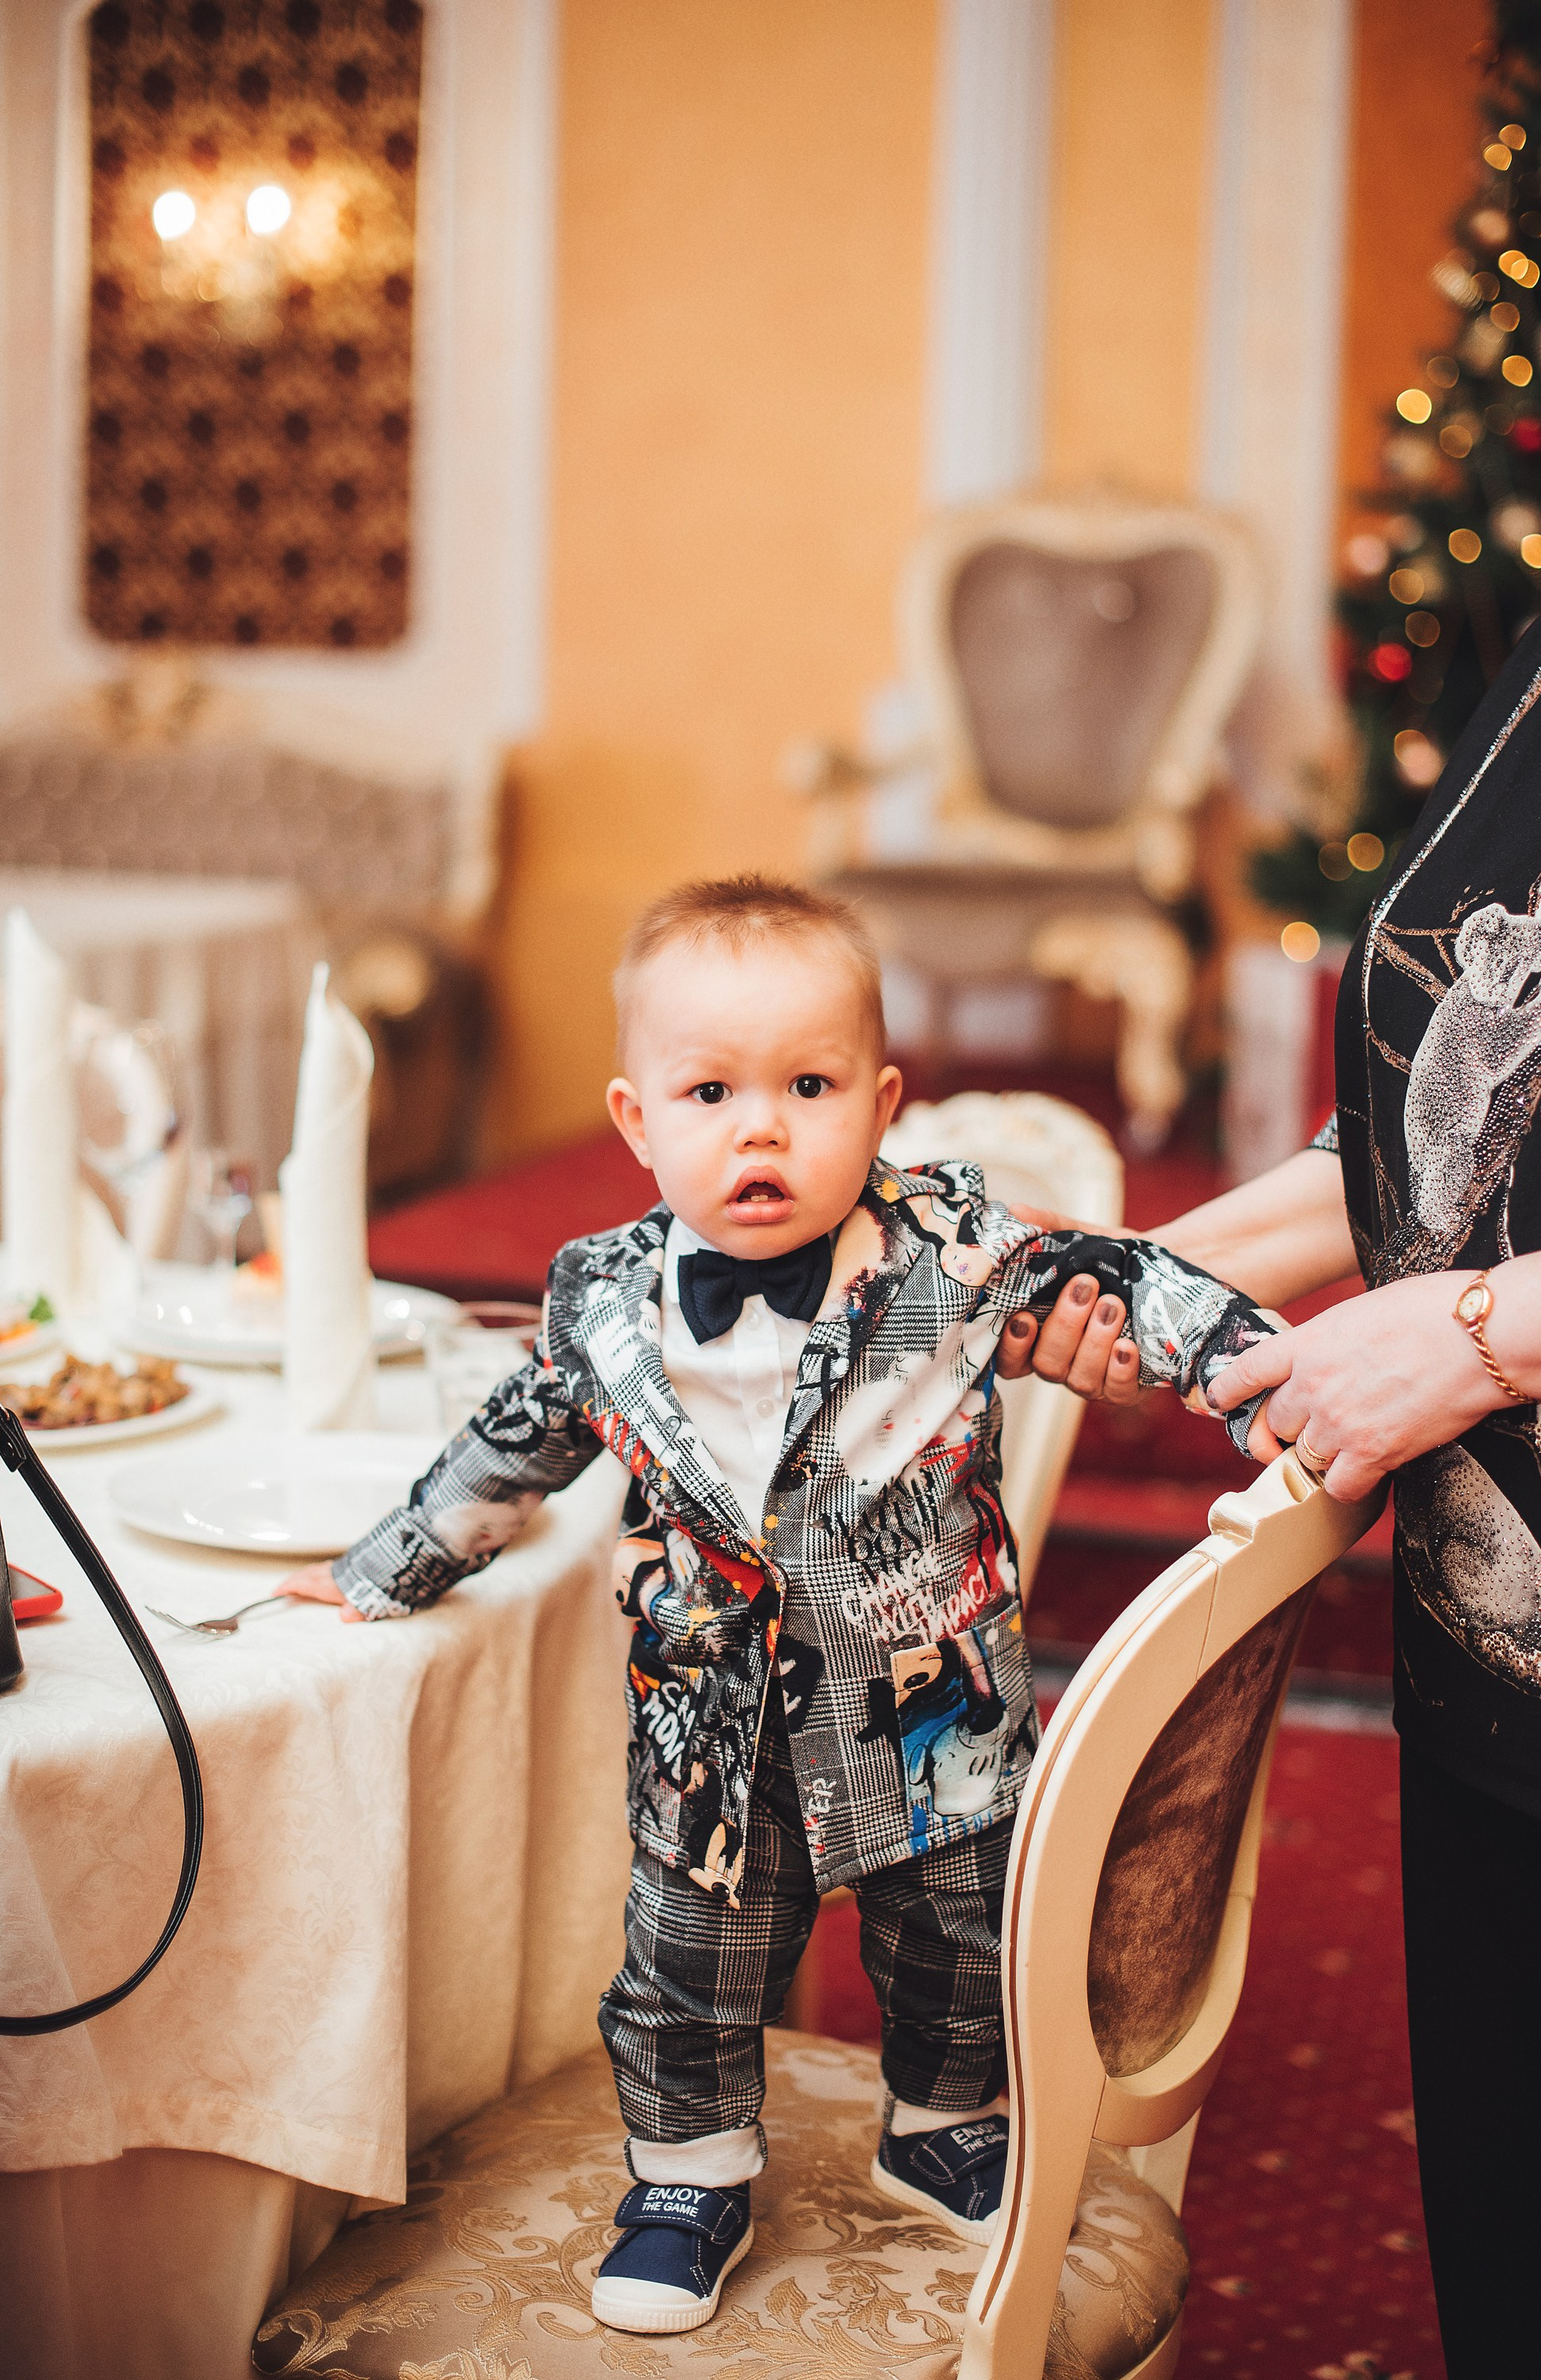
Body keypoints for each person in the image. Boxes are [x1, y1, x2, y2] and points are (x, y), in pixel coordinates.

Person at [278, 874, 1275, 2336]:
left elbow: (1120, 1279)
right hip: (712, 1727)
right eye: (711, 1091)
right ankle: (689, 2175)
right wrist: (384, 1569)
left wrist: (1251, 1365)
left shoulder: (952, 1249)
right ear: (637, 1120)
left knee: (953, 1932)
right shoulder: (600, 1299)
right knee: (688, 1959)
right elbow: (511, 1444)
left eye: (808, 1086)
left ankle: (942, 2115)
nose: (762, 1126)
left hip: (930, 1707)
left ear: (879, 1107)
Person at [1002, 588, 1541, 2376]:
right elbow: (1451, 1111)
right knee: (1520, 2269)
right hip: (1508, 1655)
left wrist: (1472, 1339)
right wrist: (1127, 1269)